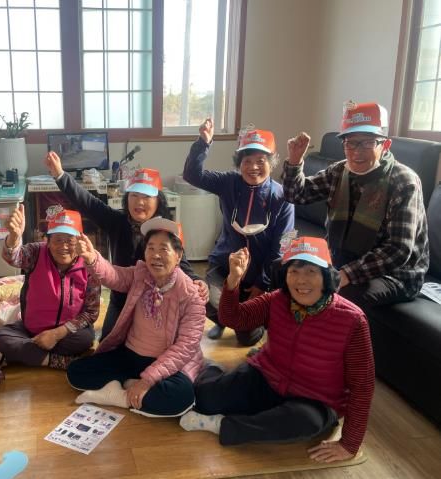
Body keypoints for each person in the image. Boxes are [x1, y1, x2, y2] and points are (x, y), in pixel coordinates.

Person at [180, 237, 375, 463]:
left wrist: (349, 444)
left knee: (304, 423)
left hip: (315, 400)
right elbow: (233, 319)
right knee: (205, 397)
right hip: (267, 376)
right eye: (294, 271)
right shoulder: (277, 300)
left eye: (311, 271)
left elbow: (362, 386)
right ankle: (212, 370)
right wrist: (233, 281)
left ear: (327, 276)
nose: (301, 280)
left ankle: (222, 425)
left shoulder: (353, 320)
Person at [283, 101, 429, 314]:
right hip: (343, 259)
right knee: (287, 269)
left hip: (395, 275)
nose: (356, 152)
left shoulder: (403, 181)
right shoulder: (339, 171)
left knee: (337, 297)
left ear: (385, 145)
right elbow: (296, 194)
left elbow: (398, 250)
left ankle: (327, 336)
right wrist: (295, 161)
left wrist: (345, 275)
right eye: (350, 143)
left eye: (367, 143)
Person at [45, 151, 208, 341]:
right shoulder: (117, 221)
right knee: (107, 343)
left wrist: (197, 280)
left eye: (146, 197)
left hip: (154, 303)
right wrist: (60, 175)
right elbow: (87, 202)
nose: (139, 202)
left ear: (158, 201)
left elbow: (182, 264)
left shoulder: (166, 229)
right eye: (134, 195)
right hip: (121, 299)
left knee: (153, 345)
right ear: (127, 198)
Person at [66, 217, 206, 417]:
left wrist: (148, 380)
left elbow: (185, 347)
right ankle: (131, 388)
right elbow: (114, 275)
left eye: (164, 249)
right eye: (150, 248)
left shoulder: (191, 295)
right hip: (131, 355)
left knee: (182, 397)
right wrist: (92, 259)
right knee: (76, 371)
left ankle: (120, 396)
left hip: (167, 364)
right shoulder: (140, 275)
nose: (155, 255)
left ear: (178, 255)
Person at [183, 119, 294, 344]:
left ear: (272, 163)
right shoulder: (228, 182)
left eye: (261, 161)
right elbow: (192, 175)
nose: (253, 167)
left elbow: (280, 248)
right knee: (200, 295)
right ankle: (223, 319)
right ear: (239, 163)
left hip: (258, 275)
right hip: (224, 267)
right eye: (247, 161)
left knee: (247, 338)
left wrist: (261, 285)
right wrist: (203, 143)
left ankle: (248, 320)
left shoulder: (282, 197)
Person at [0, 205, 101, 370]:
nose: (64, 246)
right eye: (58, 240)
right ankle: (56, 361)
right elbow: (13, 258)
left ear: (80, 241)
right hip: (31, 330)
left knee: (86, 339)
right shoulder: (36, 252)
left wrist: (56, 334)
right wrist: (14, 237)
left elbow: (91, 312)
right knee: (1, 337)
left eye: (70, 240)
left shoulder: (90, 264)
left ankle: (26, 354)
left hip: (66, 333)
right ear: (47, 241)